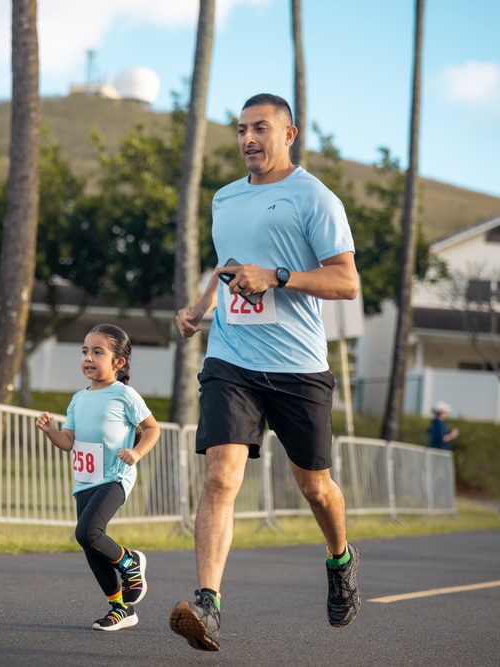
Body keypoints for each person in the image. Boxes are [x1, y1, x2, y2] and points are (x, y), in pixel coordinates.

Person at [171, 93, 362, 652]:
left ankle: (340, 560)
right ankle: (207, 604)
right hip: (232, 360)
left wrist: (277, 276)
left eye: (261, 128)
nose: (249, 139)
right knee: (219, 477)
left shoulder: (314, 198)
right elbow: (227, 265)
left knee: (315, 486)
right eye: (241, 129)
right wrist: (201, 306)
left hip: (299, 367)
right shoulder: (225, 198)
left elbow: (346, 283)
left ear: (289, 133)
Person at [37, 323, 161, 632]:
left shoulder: (125, 395)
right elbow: (69, 442)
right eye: (84, 351)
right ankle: (121, 609)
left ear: (119, 363)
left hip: (115, 478)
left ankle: (130, 563)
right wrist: (52, 431)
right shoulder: (79, 399)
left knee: (87, 532)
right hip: (85, 480)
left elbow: (152, 429)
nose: (88, 358)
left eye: (97, 352)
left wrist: (137, 452)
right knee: (90, 545)